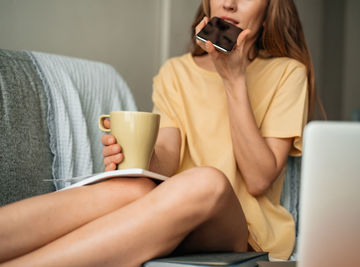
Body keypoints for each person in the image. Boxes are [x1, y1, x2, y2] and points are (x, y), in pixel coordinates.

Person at [0, 0, 324, 266]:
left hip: (244, 233)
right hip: (174, 211)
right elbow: (167, 160)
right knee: (137, 189)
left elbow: (258, 178)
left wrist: (234, 78)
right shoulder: (175, 72)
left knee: (206, 180)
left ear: (270, 7)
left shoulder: (286, 73)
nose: (229, 3)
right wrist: (139, 155)